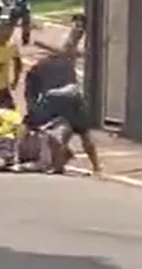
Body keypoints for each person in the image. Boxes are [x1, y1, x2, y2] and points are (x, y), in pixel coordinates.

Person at [24, 14, 102, 176]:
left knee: (43, 128)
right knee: (79, 132)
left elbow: (31, 97)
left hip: (60, 95)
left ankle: (60, 161)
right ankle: (93, 167)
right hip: (72, 92)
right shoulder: (65, 55)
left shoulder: (46, 63)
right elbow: (68, 48)